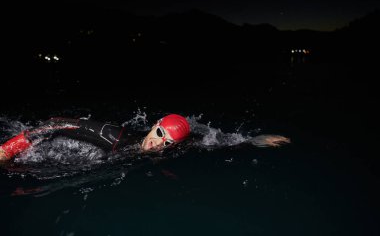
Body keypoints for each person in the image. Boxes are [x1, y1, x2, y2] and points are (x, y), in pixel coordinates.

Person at [0, 113, 290, 162]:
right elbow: (58, 124)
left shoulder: (178, 145)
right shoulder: (112, 137)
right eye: (158, 133)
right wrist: (6, 150)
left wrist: (257, 140)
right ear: (153, 125)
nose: (156, 143)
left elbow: (223, 141)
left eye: (166, 143)